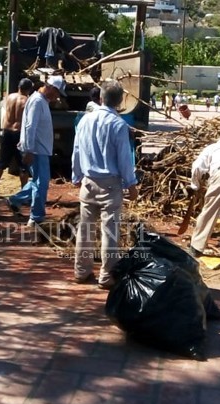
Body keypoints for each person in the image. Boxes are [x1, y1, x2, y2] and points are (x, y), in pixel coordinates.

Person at [72, 81, 138, 290]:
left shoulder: (85, 120)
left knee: (85, 229)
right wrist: (131, 184)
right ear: (119, 102)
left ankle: (81, 271)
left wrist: (76, 175)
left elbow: (77, 150)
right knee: (110, 231)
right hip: (110, 185)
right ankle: (107, 276)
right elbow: (124, 159)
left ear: (100, 98)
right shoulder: (118, 125)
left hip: (88, 183)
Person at [6, 76, 65, 226]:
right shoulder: (38, 102)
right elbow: (30, 126)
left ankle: (16, 200)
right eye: (57, 93)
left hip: (40, 149)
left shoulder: (41, 101)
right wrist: (29, 150)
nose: (57, 97)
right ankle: (36, 217)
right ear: (52, 88)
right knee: (42, 183)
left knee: (39, 181)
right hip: (37, 150)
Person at [0, 78, 33, 199]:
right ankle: (23, 192)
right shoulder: (27, 101)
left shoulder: (8, 97)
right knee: (23, 165)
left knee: (0, 163)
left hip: (7, 132)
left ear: (19, 87)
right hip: (19, 134)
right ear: (28, 89)